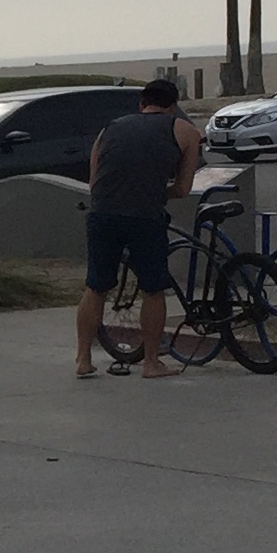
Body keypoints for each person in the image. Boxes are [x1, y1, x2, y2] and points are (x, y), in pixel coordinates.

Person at [77, 75, 202, 380]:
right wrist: (156, 191)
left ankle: (82, 359)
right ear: (173, 106)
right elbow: (183, 189)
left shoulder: (109, 128)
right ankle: (150, 362)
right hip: (145, 217)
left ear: (142, 103)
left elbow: (95, 182)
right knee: (153, 289)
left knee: (95, 286)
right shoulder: (185, 131)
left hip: (103, 214)